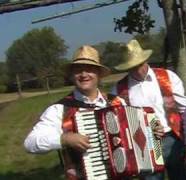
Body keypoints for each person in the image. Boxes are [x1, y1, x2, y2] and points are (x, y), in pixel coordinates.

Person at [24, 45, 164, 179]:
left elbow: (138, 134)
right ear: (72, 75)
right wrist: (64, 139)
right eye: (78, 70)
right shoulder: (59, 109)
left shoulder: (117, 102)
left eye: (89, 69)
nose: (84, 74)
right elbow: (30, 143)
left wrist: (153, 132)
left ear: (98, 74)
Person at [111, 39, 186, 180]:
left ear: (146, 60)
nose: (138, 70)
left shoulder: (167, 77)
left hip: (173, 139)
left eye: (140, 64)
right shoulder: (119, 90)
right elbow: (118, 125)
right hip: (143, 147)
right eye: (132, 67)